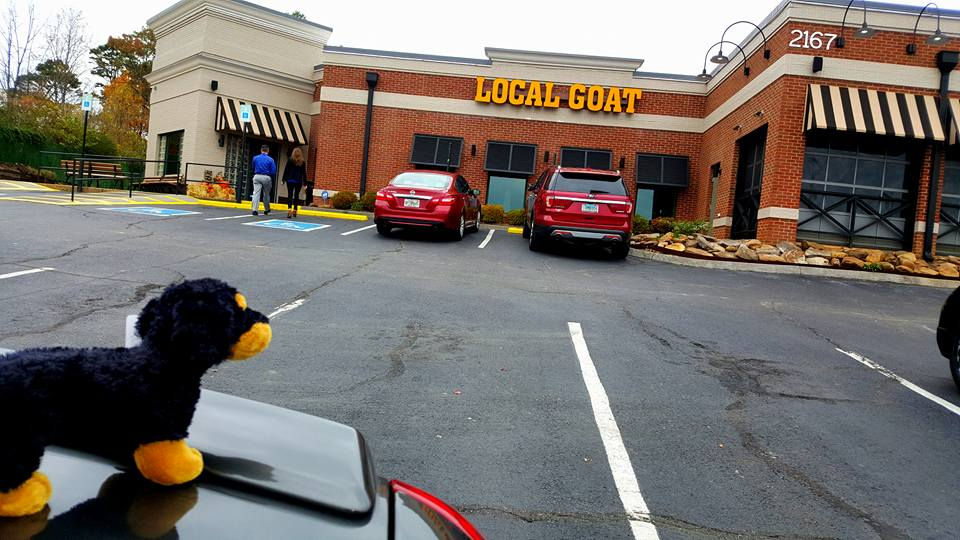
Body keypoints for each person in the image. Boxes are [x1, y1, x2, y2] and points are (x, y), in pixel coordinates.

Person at [281, 147, 307, 219]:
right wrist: (305, 183)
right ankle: (295, 210)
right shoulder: (302, 162)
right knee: (296, 196)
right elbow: (304, 173)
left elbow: (286, 170)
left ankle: (289, 210)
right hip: (298, 181)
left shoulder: (290, 160)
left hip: (290, 180)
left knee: (290, 195)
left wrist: (283, 179)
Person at [250, 145, 276, 216]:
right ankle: (266, 209)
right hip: (266, 177)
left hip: (257, 176)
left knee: (256, 193)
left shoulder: (255, 158)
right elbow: (273, 171)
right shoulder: (271, 160)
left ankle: (255, 209)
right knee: (266, 194)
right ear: (268, 151)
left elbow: (252, 167)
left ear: (261, 150)